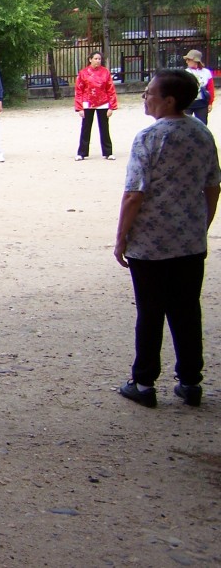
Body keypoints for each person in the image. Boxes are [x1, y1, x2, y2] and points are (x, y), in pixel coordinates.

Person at [115, 69, 220, 409]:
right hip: (189, 240)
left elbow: (135, 193)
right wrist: (201, 224)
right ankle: (190, 381)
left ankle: (144, 382)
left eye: (149, 93)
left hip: (151, 241)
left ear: (168, 100)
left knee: (150, 312)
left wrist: (121, 237)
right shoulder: (202, 134)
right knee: (187, 310)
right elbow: (213, 186)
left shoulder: (150, 137)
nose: (145, 97)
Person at [74, 51, 119, 160]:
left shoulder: (105, 72)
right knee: (86, 128)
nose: (98, 61)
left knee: (104, 128)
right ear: (90, 59)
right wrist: (79, 107)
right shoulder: (83, 73)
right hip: (87, 102)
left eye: (99, 59)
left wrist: (111, 106)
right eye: (95, 58)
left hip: (103, 103)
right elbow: (79, 90)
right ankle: (82, 153)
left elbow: (110, 89)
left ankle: (108, 152)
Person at [183, 49, 215, 124]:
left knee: (202, 124)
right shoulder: (185, 72)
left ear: (195, 61)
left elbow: (211, 89)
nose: (186, 61)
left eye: (189, 59)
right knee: (185, 125)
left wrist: (210, 103)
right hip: (188, 103)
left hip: (202, 103)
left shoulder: (206, 72)